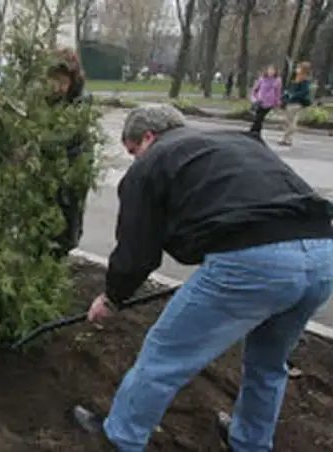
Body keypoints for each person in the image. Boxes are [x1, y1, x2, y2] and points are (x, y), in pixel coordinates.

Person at [72, 105, 333, 452]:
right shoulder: (238, 142)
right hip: (321, 252)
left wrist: (112, 298)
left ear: (148, 137)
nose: (135, 160)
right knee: (269, 364)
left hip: (254, 262)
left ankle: (119, 438)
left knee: (164, 356)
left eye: (133, 151)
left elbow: (138, 250)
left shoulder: (152, 163)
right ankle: (251, 443)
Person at [44, 48, 93, 259]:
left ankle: (61, 254)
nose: (59, 88)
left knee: (68, 218)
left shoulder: (81, 100)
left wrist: (33, 144)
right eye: (54, 81)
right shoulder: (42, 97)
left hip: (74, 163)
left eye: (64, 82)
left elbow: (66, 136)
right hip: (45, 169)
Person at [278, 61, 312, 147]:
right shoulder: (297, 78)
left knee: (291, 122)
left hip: (296, 103)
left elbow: (304, 92)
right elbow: (291, 89)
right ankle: (287, 138)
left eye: (299, 67)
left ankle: (286, 138)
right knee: (288, 121)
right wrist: (287, 94)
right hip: (291, 102)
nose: (297, 69)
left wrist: (293, 95)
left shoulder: (305, 81)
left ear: (303, 70)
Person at [249, 65, 282, 136]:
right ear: (267, 71)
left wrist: (277, 103)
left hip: (269, 103)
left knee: (259, 118)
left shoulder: (277, 80)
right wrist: (253, 99)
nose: (271, 72)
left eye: (273, 70)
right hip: (259, 101)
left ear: (275, 72)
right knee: (258, 119)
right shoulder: (262, 79)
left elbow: (278, 93)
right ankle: (256, 133)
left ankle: (252, 132)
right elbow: (255, 89)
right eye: (270, 70)